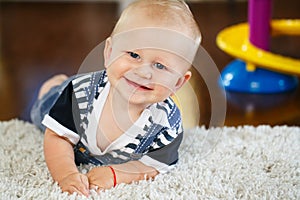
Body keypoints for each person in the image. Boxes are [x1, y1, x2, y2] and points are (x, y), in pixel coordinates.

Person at [31, 0, 201, 197]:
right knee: (42, 112)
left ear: (178, 83)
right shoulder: (79, 94)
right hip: (63, 97)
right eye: (134, 55)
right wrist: (67, 174)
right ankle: (53, 86)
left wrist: (116, 174)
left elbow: (156, 164)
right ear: (109, 52)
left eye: (160, 66)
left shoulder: (167, 124)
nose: (143, 72)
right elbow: (57, 136)